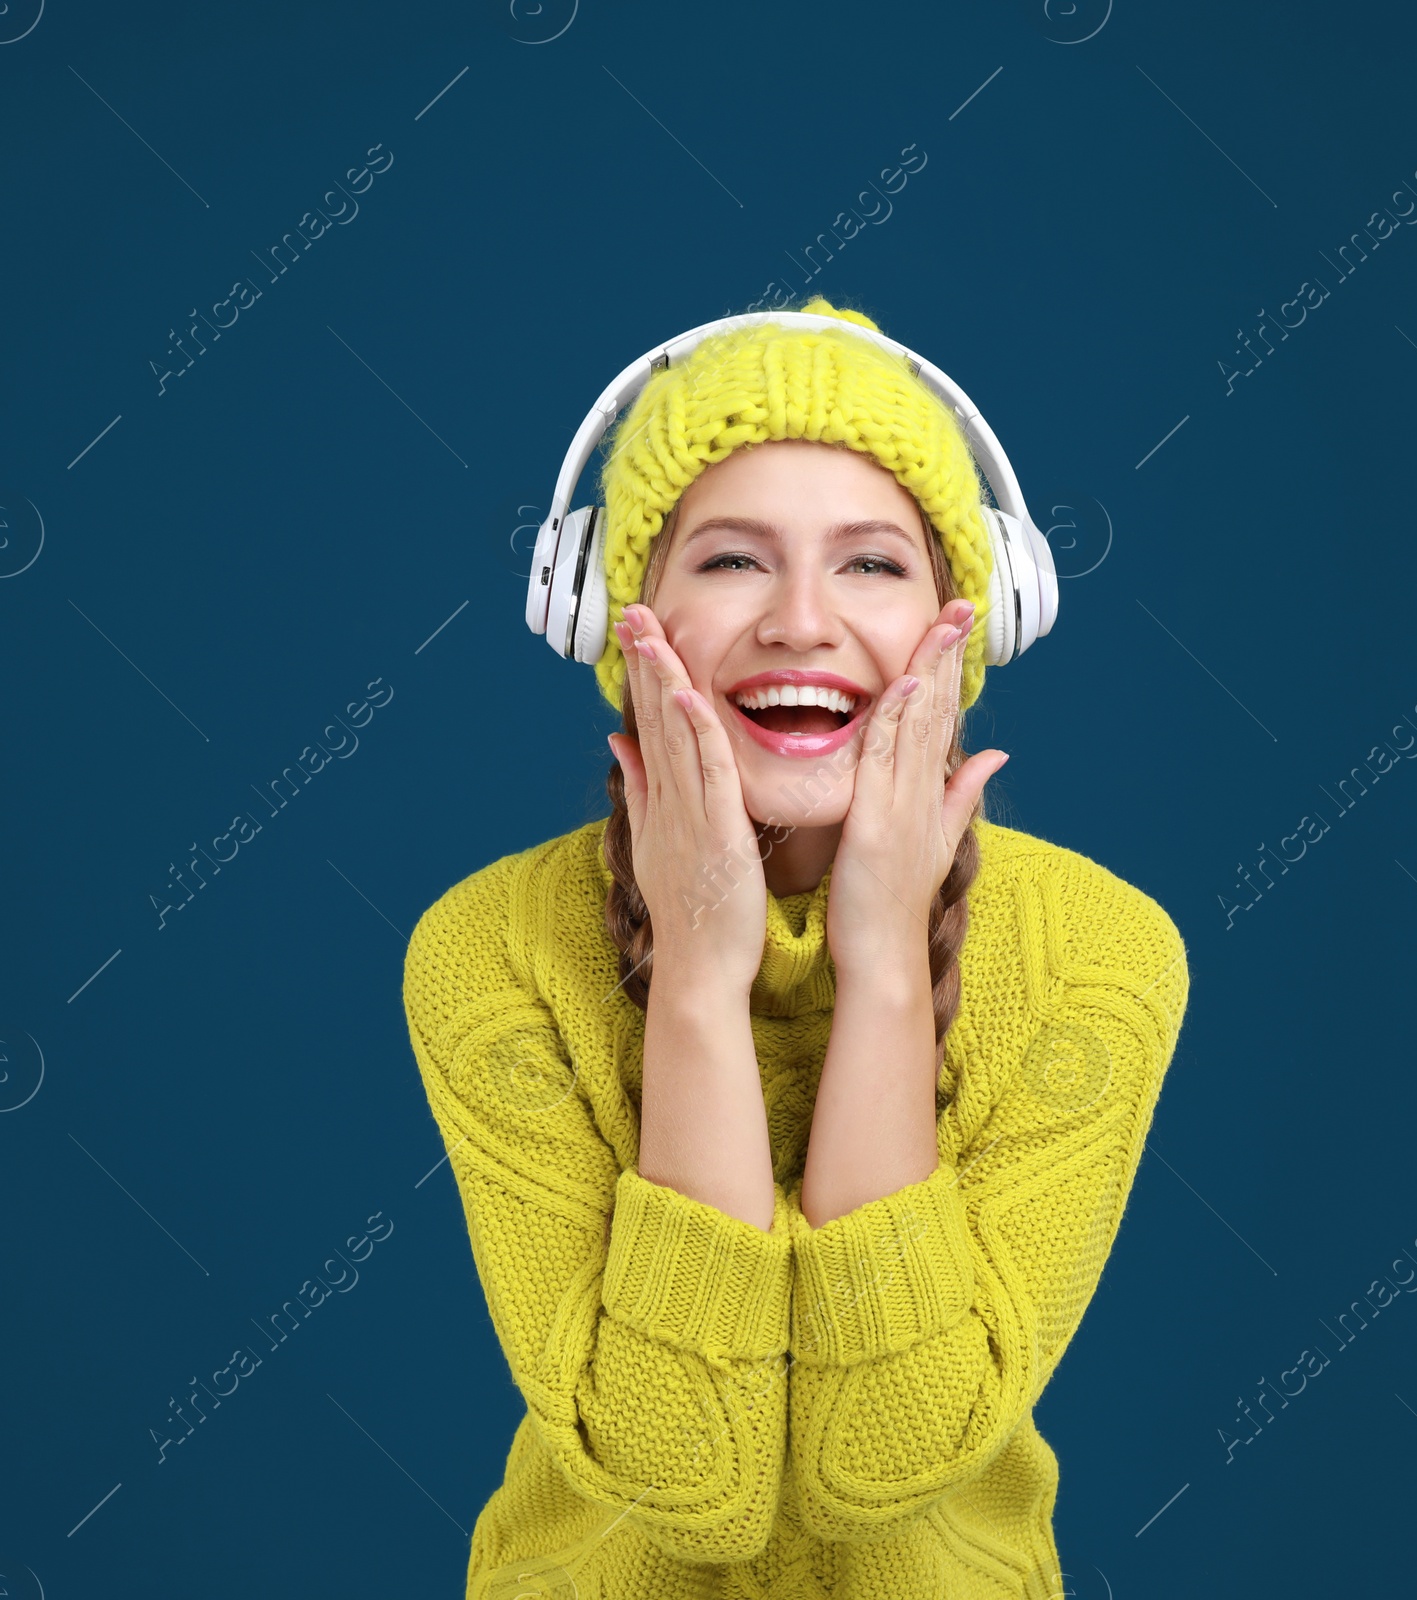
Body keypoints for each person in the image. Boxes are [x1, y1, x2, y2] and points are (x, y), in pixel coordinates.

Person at [401, 297, 1191, 1600]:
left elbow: (880, 1463)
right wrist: (700, 984)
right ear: (608, 610)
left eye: (873, 563)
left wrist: (885, 969)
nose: (802, 624)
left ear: (973, 619)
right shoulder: (490, 952)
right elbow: (686, 1485)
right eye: (730, 562)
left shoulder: (1099, 955)